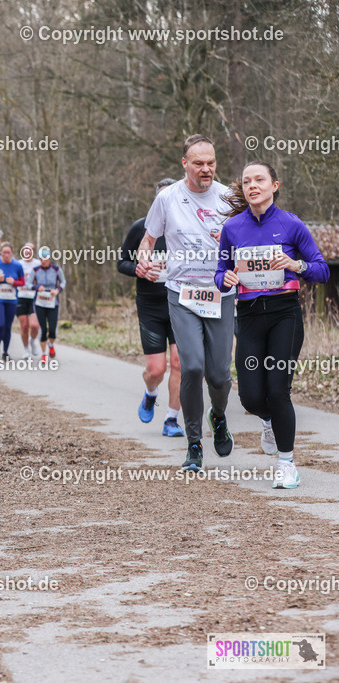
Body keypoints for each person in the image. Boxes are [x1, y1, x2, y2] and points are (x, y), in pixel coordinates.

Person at [215, 161, 330, 489]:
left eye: (259, 180)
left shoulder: (291, 225)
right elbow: (219, 273)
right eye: (247, 181)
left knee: (278, 390)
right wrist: (226, 278)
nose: (252, 185)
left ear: (274, 185)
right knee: (251, 398)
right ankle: (267, 420)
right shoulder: (233, 228)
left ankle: (286, 463)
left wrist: (296, 264)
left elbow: (322, 270)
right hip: (249, 314)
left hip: (284, 313)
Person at [138, 134, 235, 472]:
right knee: (192, 366)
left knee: (220, 375)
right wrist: (144, 262)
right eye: (198, 163)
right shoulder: (167, 198)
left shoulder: (228, 197)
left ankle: (218, 417)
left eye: (210, 162)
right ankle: (194, 444)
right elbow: (148, 239)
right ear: (185, 164)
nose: (205, 169)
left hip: (220, 294)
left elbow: (246, 240)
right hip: (182, 293)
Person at [117, 178, 185, 438]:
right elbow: (121, 263)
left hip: (180, 303)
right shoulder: (141, 229)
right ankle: (150, 393)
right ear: (156, 201)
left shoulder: (186, 229)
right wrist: (138, 269)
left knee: (179, 363)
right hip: (151, 306)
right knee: (157, 369)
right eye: (162, 200)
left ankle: (171, 419)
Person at [29, 247, 65, 363]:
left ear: (49, 258)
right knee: (43, 329)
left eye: (45, 258)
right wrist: (36, 287)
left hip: (53, 302)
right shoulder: (35, 270)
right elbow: (28, 284)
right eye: (41, 258)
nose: (43, 261)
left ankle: (51, 344)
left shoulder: (56, 269)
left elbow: (63, 282)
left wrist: (57, 290)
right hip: (39, 302)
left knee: (53, 329)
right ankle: (44, 354)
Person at [16, 242, 42, 359]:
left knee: (35, 325)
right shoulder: (17, 264)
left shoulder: (38, 264)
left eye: (30, 249)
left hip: (34, 297)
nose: (28, 251)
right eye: (26, 249)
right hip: (20, 296)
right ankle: (26, 349)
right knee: (24, 326)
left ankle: (32, 341)